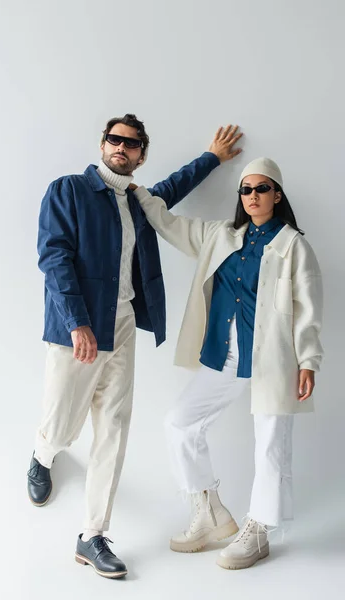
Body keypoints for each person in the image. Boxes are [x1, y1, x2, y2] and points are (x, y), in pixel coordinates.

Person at [27, 115, 243, 579]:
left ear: (141, 154)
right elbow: (54, 255)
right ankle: (44, 455)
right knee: (62, 423)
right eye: (114, 139)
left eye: (131, 143)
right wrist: (77, 322)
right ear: (102, 144)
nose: (121, 147)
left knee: (114, 428)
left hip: (123, 324)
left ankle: (92, 535)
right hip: (78, 326)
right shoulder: (69, 190)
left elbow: (177, 184)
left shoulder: (139, 200)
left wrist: (214, 157)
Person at [132, 148, 323, 570]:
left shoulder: (293, 246)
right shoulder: (221, 234)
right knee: (179, 422)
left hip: (274, 355)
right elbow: (170, 224)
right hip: (225, 351)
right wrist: (140, 195)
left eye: (261, 189)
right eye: (246, 190)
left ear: (277, 194)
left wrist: (309, 360)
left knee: (271, 444)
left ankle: (259, 530)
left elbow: (308, 307)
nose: (252, 195)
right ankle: (210, 512)